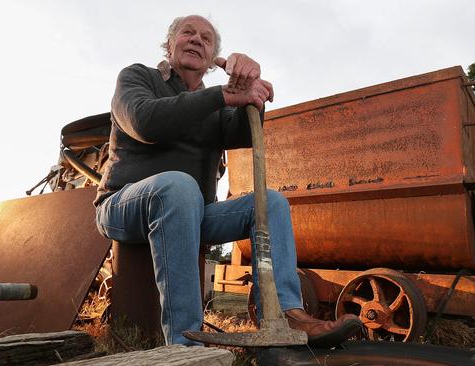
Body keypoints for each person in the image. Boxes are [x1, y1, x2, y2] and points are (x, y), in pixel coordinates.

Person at [94, 14, 362, 346]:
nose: (196, 40)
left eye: (206, 39)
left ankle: (286, 318)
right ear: (169, 44)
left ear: (212, 60)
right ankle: (186, 343)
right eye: (187, 33)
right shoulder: (138, 77)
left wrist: (250, 88)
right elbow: (147, 122)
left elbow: (241, 132)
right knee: (178, 186)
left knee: (272, 202)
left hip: (195, 213)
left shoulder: (216, 103)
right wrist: (222, 94)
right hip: (124, 205)